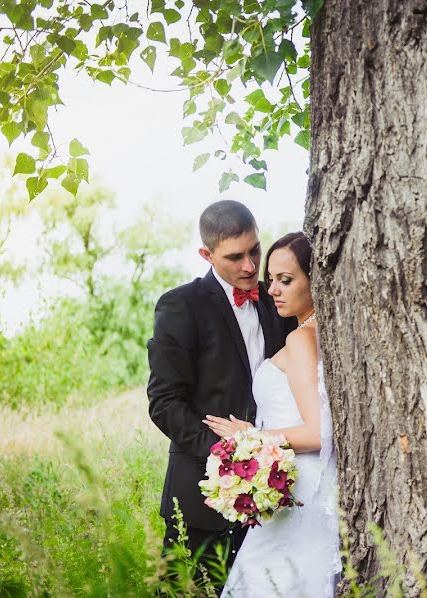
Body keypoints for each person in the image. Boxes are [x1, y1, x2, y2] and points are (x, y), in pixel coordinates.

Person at [147, 200, 297, 585]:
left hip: (274, 498)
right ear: (206, 254)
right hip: (202, 497)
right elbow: (164, 403)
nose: (249, 266)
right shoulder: (181, 305)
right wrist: (224, 457)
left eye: (254, 251)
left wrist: (266, 462)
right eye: (235, 257)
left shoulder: (276, 300)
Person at [204, 232, 341, 597]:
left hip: (302, 488)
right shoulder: (316, 334)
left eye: (287, 280)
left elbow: (317, 432)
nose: (274, 290)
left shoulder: (300, 340)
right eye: (272, 280)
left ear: (316, 281)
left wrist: (251, 438)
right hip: (305, 482)